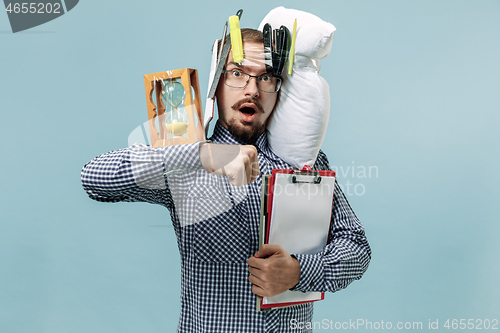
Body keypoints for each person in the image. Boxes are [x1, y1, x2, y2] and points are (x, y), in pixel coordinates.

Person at [81, 28, 371, 333]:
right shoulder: (187, 161)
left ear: (278, 89)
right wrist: (203, 156)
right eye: (237, 73)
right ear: (216, 84)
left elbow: (356, 246)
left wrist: (300, 270)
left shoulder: (306, 161)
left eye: (266, 77)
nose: (252, 90)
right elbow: (94, 178)